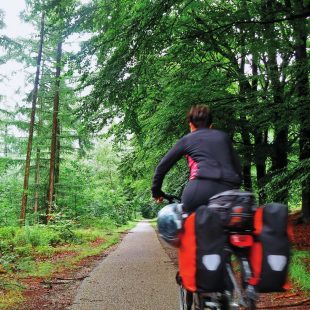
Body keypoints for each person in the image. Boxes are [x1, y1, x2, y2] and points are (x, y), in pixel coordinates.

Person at [151, 105, 242, 213]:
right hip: (228, 191)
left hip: (199, 190)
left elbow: (161, 168)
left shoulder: (187, 139)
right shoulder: (223, 137)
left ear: (191, 125)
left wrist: (156, 192)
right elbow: (237, 169)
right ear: (211, 125)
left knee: (184, 219)